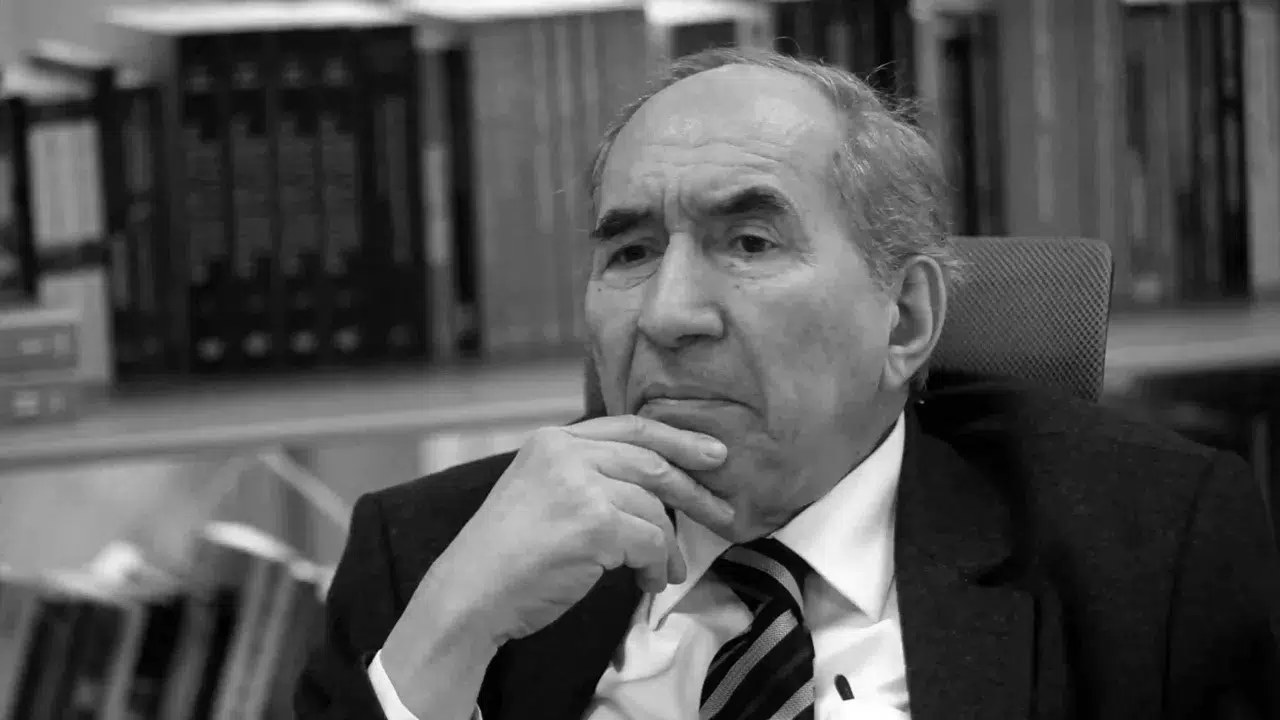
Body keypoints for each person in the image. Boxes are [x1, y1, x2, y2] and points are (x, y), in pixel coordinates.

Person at [294, 47, 1279, 720]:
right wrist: (450, 633)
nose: (668, 314)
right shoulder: (427, 560)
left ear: (905, 320)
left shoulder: (1149, 552)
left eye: (750, 242)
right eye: (630, 252)